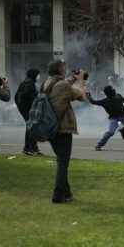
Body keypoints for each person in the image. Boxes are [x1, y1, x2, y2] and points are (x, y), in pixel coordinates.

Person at [43, 59, 86, 204]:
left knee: (61, 160)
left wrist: (70, 80)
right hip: (63, 128)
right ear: (60, 70)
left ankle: (66, 191)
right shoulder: (63, 85)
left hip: (50, 127)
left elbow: (62, 89)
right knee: (63, 162)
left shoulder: (47, 83)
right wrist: (80, 81)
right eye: (64, 68)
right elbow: (82, 97)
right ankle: (58, 195)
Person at [88, 85, 124, 151]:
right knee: (111, 132)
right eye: (112, 90)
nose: (114, 91)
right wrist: (89, 96)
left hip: (123, 118)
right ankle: (99, 145)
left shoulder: (118, 96)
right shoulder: (105, 101)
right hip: (114, 119)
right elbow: (93, 102)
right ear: (109, 92)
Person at [14, 68, 42, 156]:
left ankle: (30, 148)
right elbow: (27, 93)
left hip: (25, 108)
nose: (39, 76)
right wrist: (37, 97)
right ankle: (30, 148)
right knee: (32, 127)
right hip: (27, 109)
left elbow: (17, 96)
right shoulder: (29, 82)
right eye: (37, 74)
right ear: (33, 74)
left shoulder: (27, 82)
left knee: (30, 127)